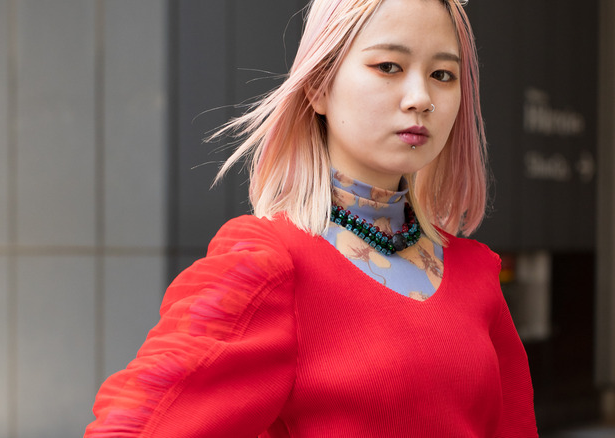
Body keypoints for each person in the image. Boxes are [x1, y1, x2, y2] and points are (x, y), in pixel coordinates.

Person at [84, 0, 537, 436]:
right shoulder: (270, 266)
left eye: (442, 74)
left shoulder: (476, 274)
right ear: (319, 86)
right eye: (388, 67)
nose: (421, 98)